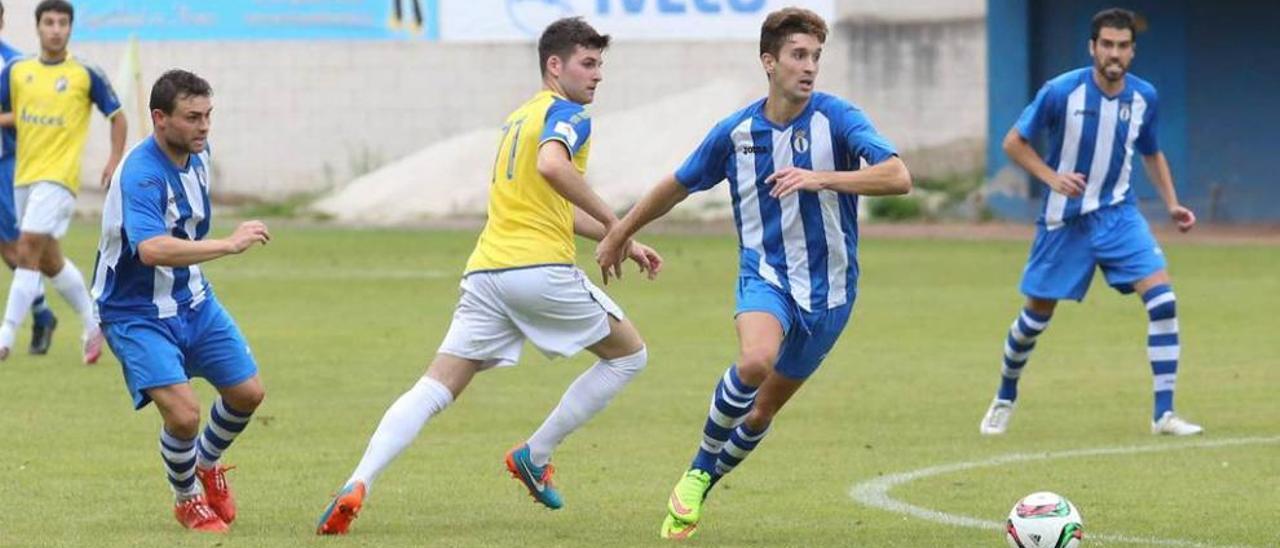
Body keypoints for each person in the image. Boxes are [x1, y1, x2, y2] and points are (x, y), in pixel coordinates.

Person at [316, 16, 662, 535]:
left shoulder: (519, 118)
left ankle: (357, 481)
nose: (597, 76)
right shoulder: (567, 115)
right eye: (587, 64)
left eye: (600, 65)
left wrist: (623, 242)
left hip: (486, 272)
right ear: (555, 65)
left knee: (436, 386)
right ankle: (535, 453)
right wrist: (619, 222)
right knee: (629, 357)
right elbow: (553, 168)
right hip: (537, 270)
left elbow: (554, 207)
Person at [595, 7, 911, 540]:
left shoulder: (840, 118)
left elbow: (898, 176)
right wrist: (620, 231)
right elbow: (678, 184)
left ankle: (700, 487)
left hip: (831, 294)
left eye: (815, 56)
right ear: (769, 62)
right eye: (798, 55)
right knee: (756, 359)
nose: (809, 67)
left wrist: (821, 178)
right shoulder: (736, 132)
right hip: (764, 274)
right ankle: (696, 472)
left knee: (761, 413)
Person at [978, 8, 1201, 437]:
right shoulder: (1061, 92)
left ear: (1132, 51)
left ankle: (1164, 414)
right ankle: (1005, 394)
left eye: (1122, 46)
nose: (1114, 54)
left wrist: (1172, 203)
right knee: (1035, 319)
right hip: (1065, 223)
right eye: (1107, 45)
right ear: (1092, 47)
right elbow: (1013, 142)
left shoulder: (1144, 98)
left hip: (1119, 216)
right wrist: (1052, 179)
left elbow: (1151, 152)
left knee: (1163, 302)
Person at [91, 69, 270, 533]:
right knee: (186, 415)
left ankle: (207, 465)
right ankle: (187, 496)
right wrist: (229, 245)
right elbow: (151, 249)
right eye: (192, 117)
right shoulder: (142, 175)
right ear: (160, 119)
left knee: (248, 393)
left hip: (192, 298)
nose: (204, 127)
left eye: (208, 115)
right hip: (134, 312)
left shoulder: (199, 152)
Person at [0, 0, 126, 362]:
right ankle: (93, 322)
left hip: (59, 178)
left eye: (62, 23)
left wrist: (114, 159)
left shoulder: (85, 73)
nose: (55, 29)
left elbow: (117, 116)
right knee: (48, 259)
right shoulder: (16, 70)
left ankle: (6, 334)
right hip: (23, 175)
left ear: (70, 29)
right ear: (38, 27)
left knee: (25, 247)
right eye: (49, 22)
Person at [0, 0, 57, 355]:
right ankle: (41, 312)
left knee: (16, 246)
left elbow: (28, 115)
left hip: (5, 163)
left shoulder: (15, 64)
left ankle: (43, 313)